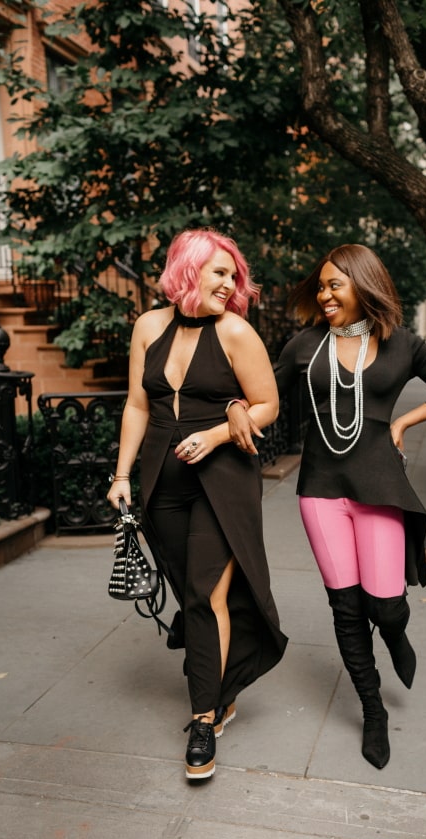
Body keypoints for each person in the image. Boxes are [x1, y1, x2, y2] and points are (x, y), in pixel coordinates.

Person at [228, 244, 426, 770]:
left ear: (364, 284)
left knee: (384, 605)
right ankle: (373, 709)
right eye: (320, 286)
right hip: (320, 489)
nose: (324, 294)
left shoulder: (401, 344)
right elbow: (260, 392)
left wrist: (403, 423)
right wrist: (234, 408)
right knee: (345, 607)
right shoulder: (305, 345)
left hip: (379, 487)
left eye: (335, 284)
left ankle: (396, 630)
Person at [107, 228, 288, 781]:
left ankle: (203, 717)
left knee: (207, 595)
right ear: (188, 270)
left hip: (223, 480)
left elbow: (268, 405)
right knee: (193, 597)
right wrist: (121, 475)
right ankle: (223, 684)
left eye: (233, 275)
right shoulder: (148, 327)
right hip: (162, 478)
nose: (231, 284)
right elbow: (138, 405)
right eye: (219, 272)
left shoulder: (236, 332)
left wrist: (214, 435)